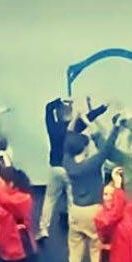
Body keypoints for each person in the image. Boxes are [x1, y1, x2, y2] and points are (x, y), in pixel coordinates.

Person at [62, 117, 125, 262]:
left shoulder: (68, 162)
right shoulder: (92, 164)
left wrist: (75, 119)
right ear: (84, 148)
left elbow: (67, 138)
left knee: (74, 252)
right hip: (94, 211)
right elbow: (107, 147)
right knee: (95, 251)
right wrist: (116, 127)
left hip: (76, 210)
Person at [40, 97, 74, 241]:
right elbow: (90, 117)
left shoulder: (53, 128)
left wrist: (59, 101)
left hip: (55, 168)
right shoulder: (74, 128)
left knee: (49, 199)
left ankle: (43, 229)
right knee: (72, 200)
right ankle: (74, 229)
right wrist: (103, 108)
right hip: (70, 169)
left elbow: (48, 108)